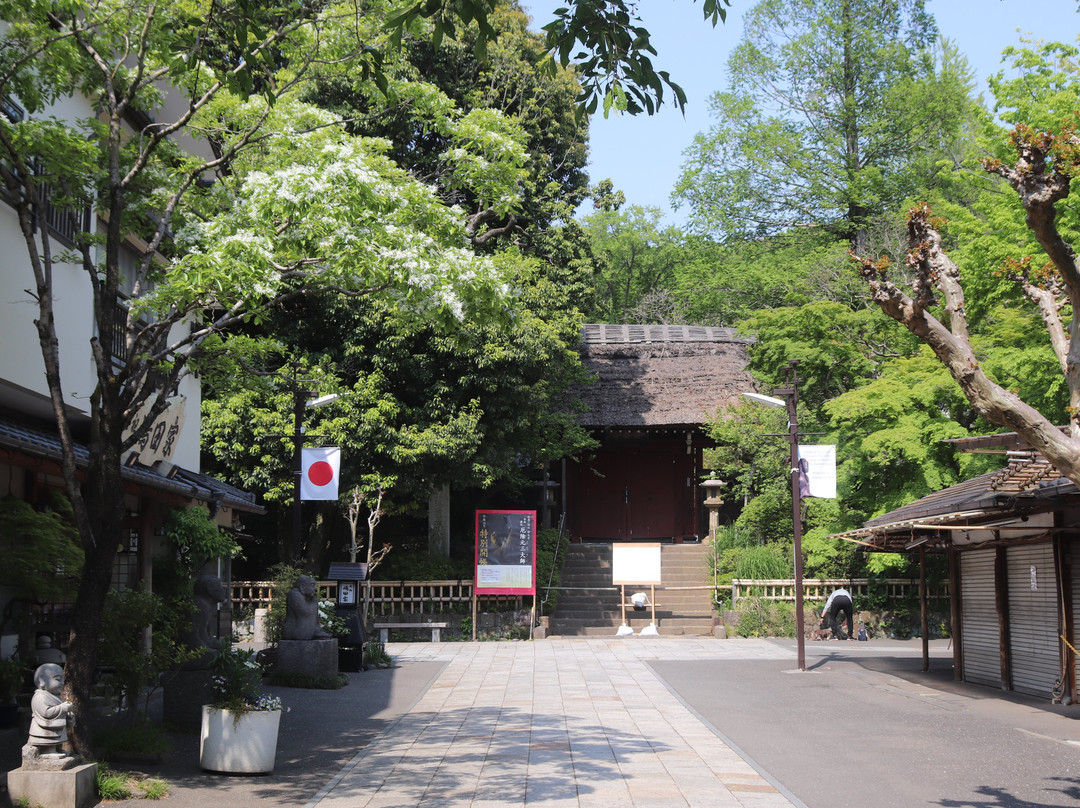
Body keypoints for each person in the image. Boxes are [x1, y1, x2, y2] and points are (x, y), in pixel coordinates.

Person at [27, 663, 73, 755]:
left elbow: (59, 710)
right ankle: (48, 752)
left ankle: (58, 748)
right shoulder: (40, 697)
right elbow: (46, 713)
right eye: (58, 679)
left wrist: (69, 716)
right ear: (42, 680)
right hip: (44, 729)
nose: (62, 683)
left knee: (57, 738)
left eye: (62, 679)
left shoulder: (56, 696)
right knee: (48, 740)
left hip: (56, 728)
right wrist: (63, 708)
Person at [283, 574, 331, 641]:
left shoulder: (304, 596)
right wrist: (314, 602)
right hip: (294, 631)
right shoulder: (294, 594)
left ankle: (316, 630)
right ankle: (314, 631)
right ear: (302, 586)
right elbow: (306, 613)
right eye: (312, 586)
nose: (315, 589)